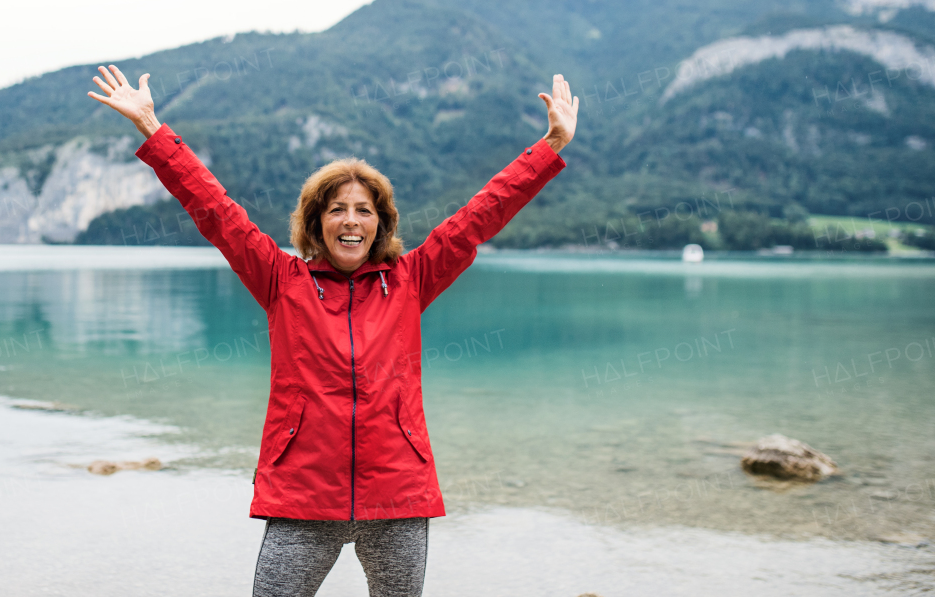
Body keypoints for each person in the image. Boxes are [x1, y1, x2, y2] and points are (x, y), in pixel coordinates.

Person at [88, 65, 579, 597]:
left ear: (381, 224)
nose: (351, 221)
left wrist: (551, 145)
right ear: (316, 222)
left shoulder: (411, 278)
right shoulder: (281, 279)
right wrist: (153, 130)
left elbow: (480, 215)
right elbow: (215, 210)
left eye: (364, 211)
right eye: (337, 209)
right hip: (303, 492)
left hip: (396, 493)